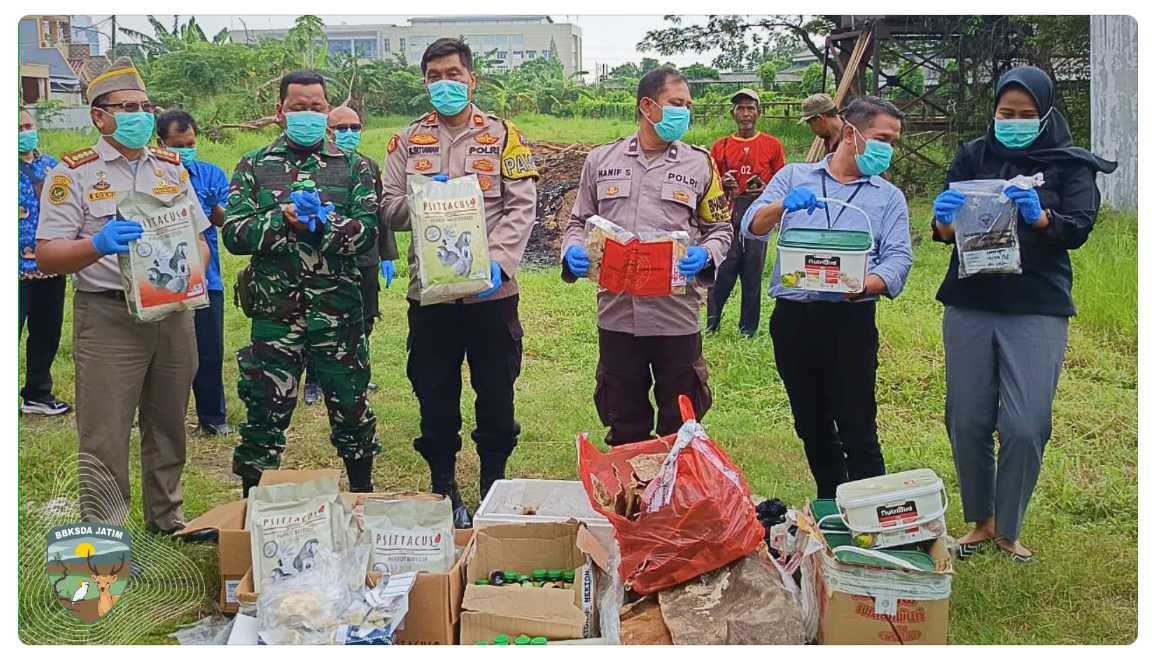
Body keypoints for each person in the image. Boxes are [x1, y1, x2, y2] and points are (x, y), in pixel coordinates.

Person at [930, 66, 1117, 563]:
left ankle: (1010, 528)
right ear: (993, 111)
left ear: (1045, 113)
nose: (1014, 122)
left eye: (1026, 115)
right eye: (1005, 113)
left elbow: (1077, 227)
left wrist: (1039, 215)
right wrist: (944, 218)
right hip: (971, 303)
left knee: (1026, 423)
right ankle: (981, 522)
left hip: (1037, 306)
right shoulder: (973, 155)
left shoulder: (1071, 165)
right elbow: (945, 232)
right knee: (965, 418)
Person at [34, 57, 214, 535]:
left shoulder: (171, 168)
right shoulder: (71, 173)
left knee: (169, 423)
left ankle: (168, 516)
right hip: (109, 316)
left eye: (144, 106)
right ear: (99, 116)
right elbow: (47, 255)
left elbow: (198, 233)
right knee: (105, 434)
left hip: (173, 312)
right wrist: (95, 244)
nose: (139, 115)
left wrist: (195, 269)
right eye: (126, 107)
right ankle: (105, 535)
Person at [382, 38, 539, 527]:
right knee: (434, 391)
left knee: (496, 391)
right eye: (433, 76)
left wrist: (501, 261)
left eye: (453, 74)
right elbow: (387, 205)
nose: (443, 84)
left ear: (472, 79)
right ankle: (444, 486)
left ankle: (494, 481)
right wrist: (423, 198)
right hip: (429, 294)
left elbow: (522, 204)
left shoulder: (504, 136)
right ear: (425, 82)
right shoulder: (407, 141)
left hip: (490, 292)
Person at [743, 96, 913, 499]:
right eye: (881, 138)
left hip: (849, 321)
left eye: (894, 141)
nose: (888, 148)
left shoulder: (888, 197)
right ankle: (832, 503)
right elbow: (752, 226)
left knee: (857, 424)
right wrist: (783, 205)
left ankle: (873, 510)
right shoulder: (793, 175)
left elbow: (899, 259)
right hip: (794, 319)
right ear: (851, 133)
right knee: (811, 423)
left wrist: (864, 285)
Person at [223, 70, 380, 496]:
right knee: (263, 414)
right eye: (298, 108)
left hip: (338, 315)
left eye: (316, 107)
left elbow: (368, 234)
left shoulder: (354, 168)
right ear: (280, 112)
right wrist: (282, 219)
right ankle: (251, 513)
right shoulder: (255, 166)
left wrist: (323, 222)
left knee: (352, 411)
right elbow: (234, 233)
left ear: (327, 111)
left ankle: (361, 497)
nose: (307, 114)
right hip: (276, 317)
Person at [561, 67, 733, 447]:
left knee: (680, 421)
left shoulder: (699, 164)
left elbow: (721, 229)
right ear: (647, 106)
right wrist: (572, 249)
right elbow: (578, 220)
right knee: (625, 420)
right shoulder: (601, 160)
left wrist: (705, 253)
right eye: (676, 104)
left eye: (688, 105)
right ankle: (629, 501)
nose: (684, 113)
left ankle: (674, 502)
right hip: (618, 314)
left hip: (676, 315)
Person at [299, 105, 400, 405]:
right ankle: (314, 380)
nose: (349, 133)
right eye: (342, 128)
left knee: (364, 317)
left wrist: (388, 255)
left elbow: (381, 214)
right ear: (328, 131)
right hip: (326, 257)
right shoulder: (313, 166)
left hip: (364, 256)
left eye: (354, 127)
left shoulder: (368, 165)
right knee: (321, 319)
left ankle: (356, 373)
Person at [156, 109, 232, 436]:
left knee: (210, 351)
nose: (185, 150)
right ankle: (164, 420)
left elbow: (225, 220)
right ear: (161, 142)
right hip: (159, 279)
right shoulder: (147, 177)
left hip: (206, 278)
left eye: (190, 143)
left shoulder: (210, 175)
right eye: (177, 145)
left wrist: (211, 207)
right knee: (164, 356)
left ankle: (213, 418)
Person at [705, 88, 786, 337]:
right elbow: (708, 182)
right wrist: (724, 180)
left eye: (751, 108)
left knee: (752, 276)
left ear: (759, 113)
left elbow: (782, 181)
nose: (746, 113)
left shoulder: (772, 145)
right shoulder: (721, 146)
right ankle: (711, 325)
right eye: (741, 108)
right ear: (733, 114)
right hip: (729, 217)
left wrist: (766, 189)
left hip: (759, 216)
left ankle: (747, 330)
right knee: (722, 273)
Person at [19, 106, 71, 416]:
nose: (25, 133)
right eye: (17, 128)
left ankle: (37, 394)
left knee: (47, 333)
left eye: (27, 125)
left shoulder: (54, 168)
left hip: (50, 265)